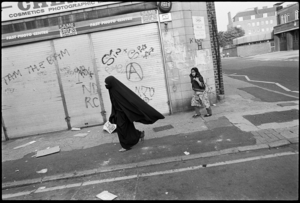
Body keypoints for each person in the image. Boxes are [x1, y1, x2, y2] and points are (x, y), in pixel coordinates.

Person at [105, 76, 165, 152]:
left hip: (123, 113)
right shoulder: (113, 89)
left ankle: (125, 146)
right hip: (120, 113)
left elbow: (125, 102)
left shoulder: (116, 90)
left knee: (121, 129)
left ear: (111, 83)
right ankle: (139, 134)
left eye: (106, 82)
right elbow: (115, 103)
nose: (106, 84)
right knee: (128, 128)